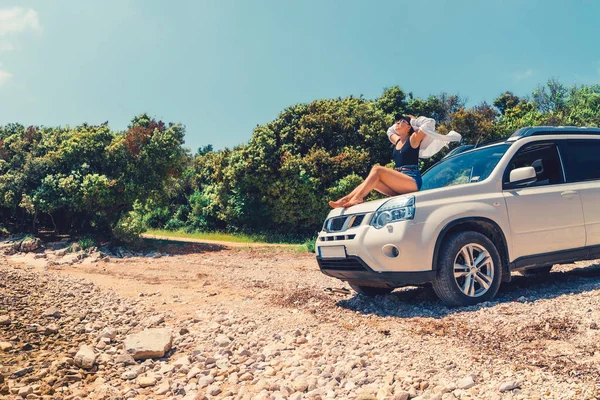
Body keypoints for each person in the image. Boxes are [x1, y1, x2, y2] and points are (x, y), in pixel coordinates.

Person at [328, 114, 461, 208]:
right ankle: (346, 199)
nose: (397, 123)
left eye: (401, 121)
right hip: (399, 184)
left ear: (409, 127)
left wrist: (412, 120)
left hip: (411, 181)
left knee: (377, 169)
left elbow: (430, 122)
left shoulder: (414, 139)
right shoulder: (397, 140)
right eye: (397, 121)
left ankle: (357, 198)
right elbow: (389, 130)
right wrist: (402, 121)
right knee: (373, 180)